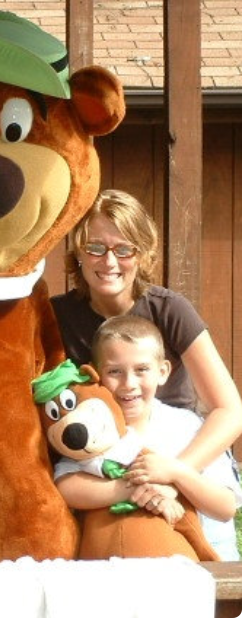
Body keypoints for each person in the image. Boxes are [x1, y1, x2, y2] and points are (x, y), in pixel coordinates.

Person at [50, 188, 242, 474]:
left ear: (142, 254)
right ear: (79, 252)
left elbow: (230, 411)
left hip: (176, 449)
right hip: (95, 456)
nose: (110, 262)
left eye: (124, 249)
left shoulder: (170, 310)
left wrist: (174, 473)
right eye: (96, 248)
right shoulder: (55, 316)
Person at [54, 315, 241, 560]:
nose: (129, 383)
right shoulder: (92, 426)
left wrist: (176, 474)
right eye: (115, 371)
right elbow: (65, 487)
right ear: (97, 374)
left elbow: (225, 507)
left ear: (163, 372)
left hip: (199, 561)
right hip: (114, 560)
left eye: (142, 370)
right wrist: (133, 490)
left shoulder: (186, 426)